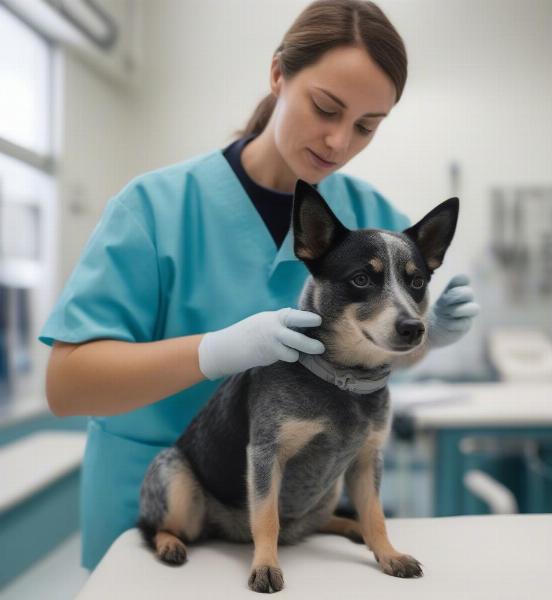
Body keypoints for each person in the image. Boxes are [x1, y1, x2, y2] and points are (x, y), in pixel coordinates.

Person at [40, 0, 479, 570]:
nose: (339, 142)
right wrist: (212, 353)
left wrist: (426, 337)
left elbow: (370, 359)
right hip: (158, 522)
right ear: (278, 75)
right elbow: (67, 386)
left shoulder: (376, 218)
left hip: (298, 535)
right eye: (326, 108)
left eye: (367, 126)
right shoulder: (155, 209)